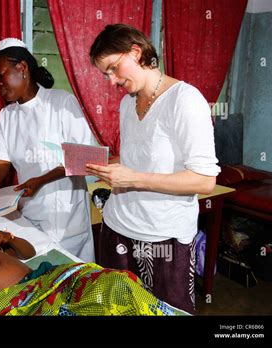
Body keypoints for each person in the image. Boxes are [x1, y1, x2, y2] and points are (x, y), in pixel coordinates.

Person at [86, 24, 221, 314]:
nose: (111, 81)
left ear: (136, 52)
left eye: (113, 69)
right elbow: (138, 159)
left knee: (163, 310)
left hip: (162, 240)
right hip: (117, 227)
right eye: (105, 74)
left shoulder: (184, 101)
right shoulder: (127, 104)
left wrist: (132, 177)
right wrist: (107, 166)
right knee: (117, 309)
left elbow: (204, 180)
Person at [0, 196, 189, 316]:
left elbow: (28, 253)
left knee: (114, 285)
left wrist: (10, 239)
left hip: (42, 282)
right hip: (5, 308)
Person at [0, 38, 98, 262]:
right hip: (30, 216)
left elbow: (87, 157)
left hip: (67, 219)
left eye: (1, 76)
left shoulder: (61, 103)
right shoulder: (7, 117)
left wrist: (41, 180)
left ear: (22, 68)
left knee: (75, 280)